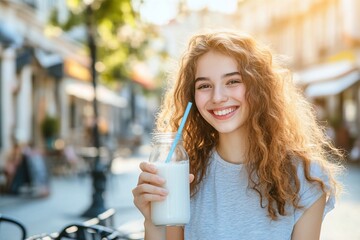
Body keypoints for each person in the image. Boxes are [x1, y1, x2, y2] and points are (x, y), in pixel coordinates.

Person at [132, 30, 344, 240]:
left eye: (233, 81)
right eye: (204, 86)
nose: (217, 97)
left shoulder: (305, 177)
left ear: (260, 86)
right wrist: (153, 222)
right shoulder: (184, 174)